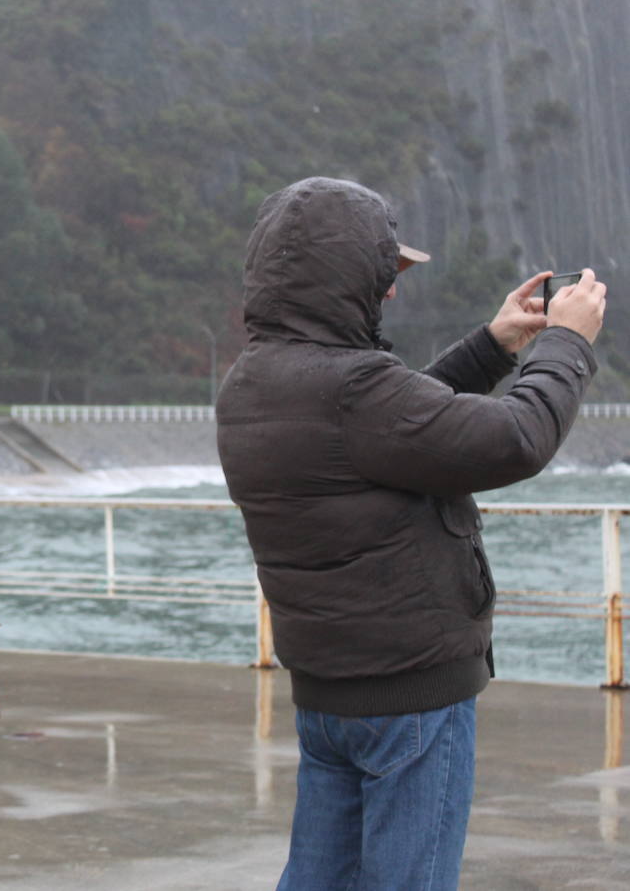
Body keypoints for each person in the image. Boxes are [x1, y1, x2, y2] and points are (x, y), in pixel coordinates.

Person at [215, 177, 606, 890]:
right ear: (342, 283)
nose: (390, 293)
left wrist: (493, 346)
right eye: (380, 276)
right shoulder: (352, 389)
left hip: (328, 695)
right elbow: (514, 438)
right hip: (413, 701)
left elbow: (387, 430)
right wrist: (568, 345)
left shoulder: (254, 383)